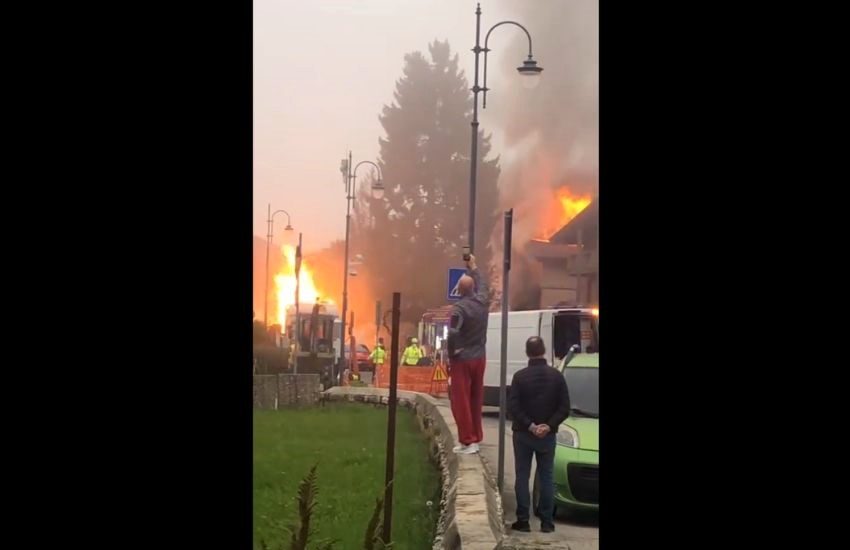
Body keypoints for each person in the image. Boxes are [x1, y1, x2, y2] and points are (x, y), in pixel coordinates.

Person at [507, 336, 571, 534]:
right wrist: (548, 426)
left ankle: (523, 520)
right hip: (548, 436)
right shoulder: (557, 376)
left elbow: (513, 407)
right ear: (543, 350)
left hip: (523, 435)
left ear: (527, 352)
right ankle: (547, 522)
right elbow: (564, 407)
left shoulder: (519, 377)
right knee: (546, 477)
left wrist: (530, 426)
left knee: (522, 476)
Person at [447, 254, 490, 454]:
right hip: (480, 356)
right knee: (476, 397)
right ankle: (476, 438)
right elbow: (482, 284)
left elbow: (453, 333)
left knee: (460, 400)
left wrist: (452, 353)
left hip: (462, 359)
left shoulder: (459, 309)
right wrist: (473, 265)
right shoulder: (482, 302)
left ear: (459, 290)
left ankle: (467, 440)